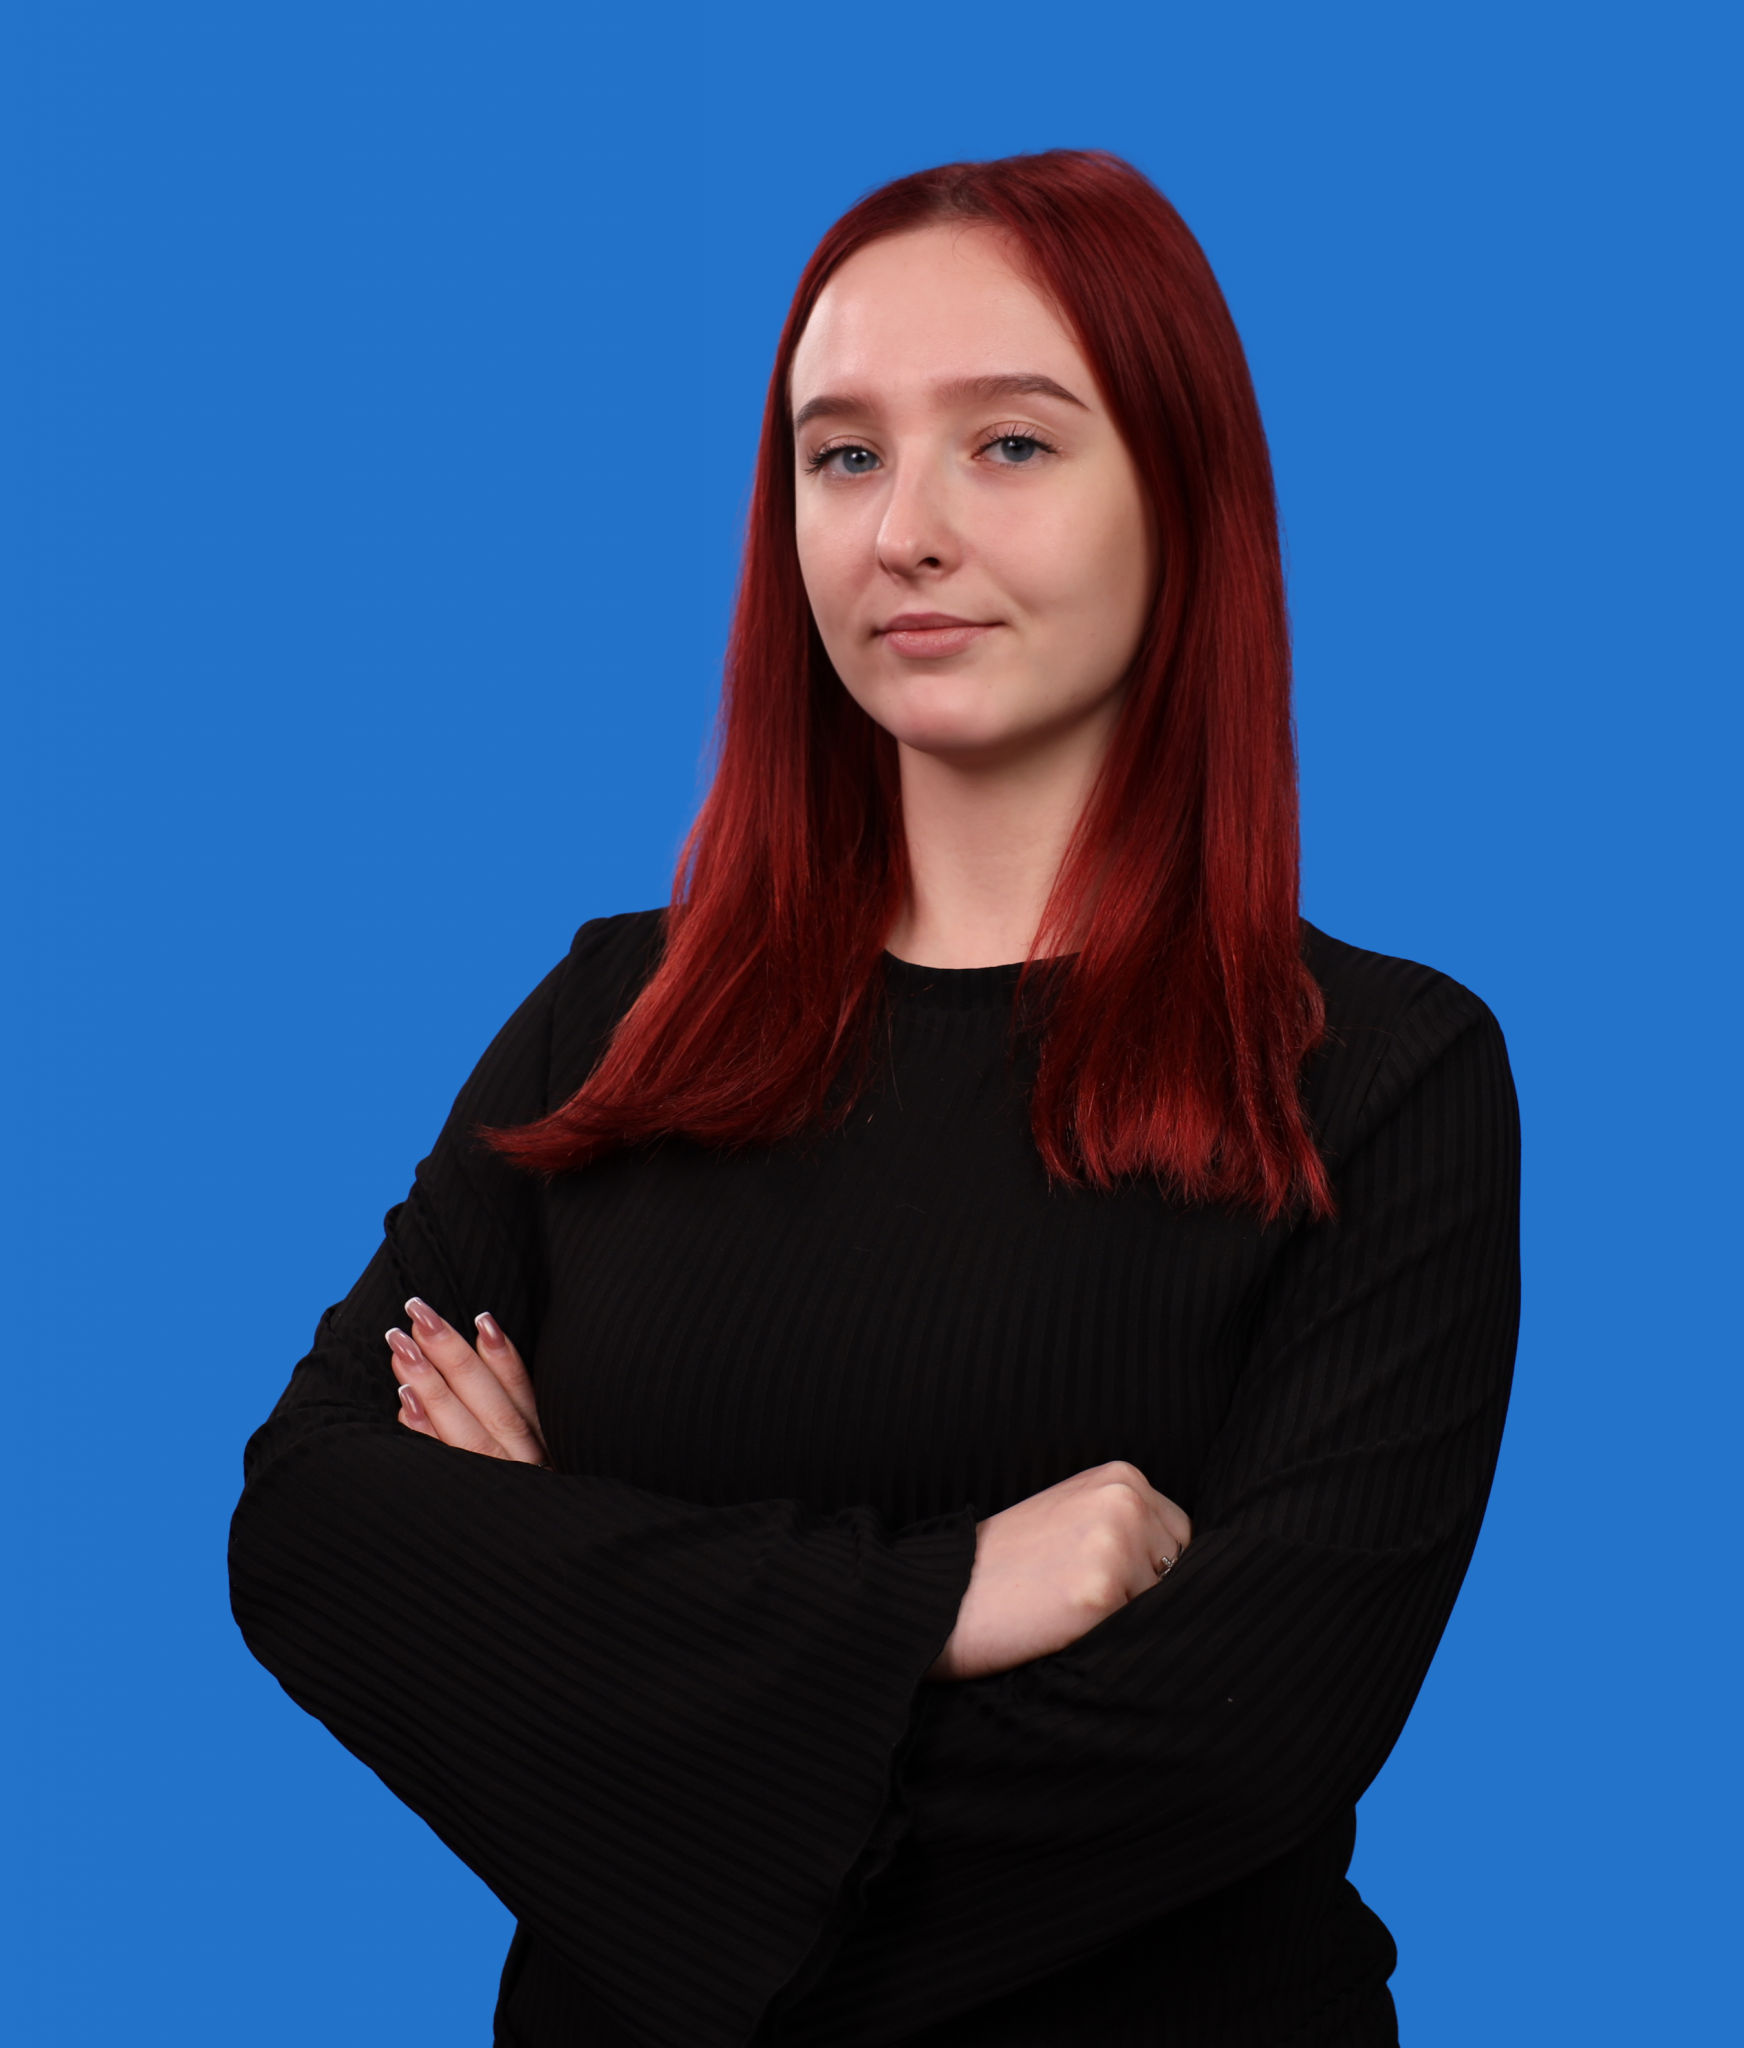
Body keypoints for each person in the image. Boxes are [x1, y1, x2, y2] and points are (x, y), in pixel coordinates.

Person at [229, 150, 1519, 2048]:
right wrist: (944, 1599)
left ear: (1183, 494)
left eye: (1010, 444)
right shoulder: (611, 1019)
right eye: (843, 456)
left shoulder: (1381, 1078)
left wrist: (551, 1598)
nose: (903, 530)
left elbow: (1225, 1759)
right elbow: (312, 1532)